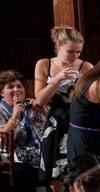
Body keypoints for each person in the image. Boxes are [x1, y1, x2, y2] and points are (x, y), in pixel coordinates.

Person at [34, 26, 94, 182]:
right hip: (54, 122)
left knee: (80, 173)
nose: (75, 56)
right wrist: (56, 79)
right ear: (59, 46)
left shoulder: (85, 67)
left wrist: (79, 82)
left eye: (78, 52)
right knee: (53, 176)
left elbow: (92, 99)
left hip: (78, 122)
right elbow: (40, 100)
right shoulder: (44, 64)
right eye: (71, 51)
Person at [0, 70, 48, 192]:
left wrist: (43, 112)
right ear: (1, 92)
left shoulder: (30, 107)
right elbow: (3, 139)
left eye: (19, 86)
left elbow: (44, 133)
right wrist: (15, 116)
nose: (16, 90)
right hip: (10, 162)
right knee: (20, 182)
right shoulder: (1, 110)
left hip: (37, 157)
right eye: (10, 87)